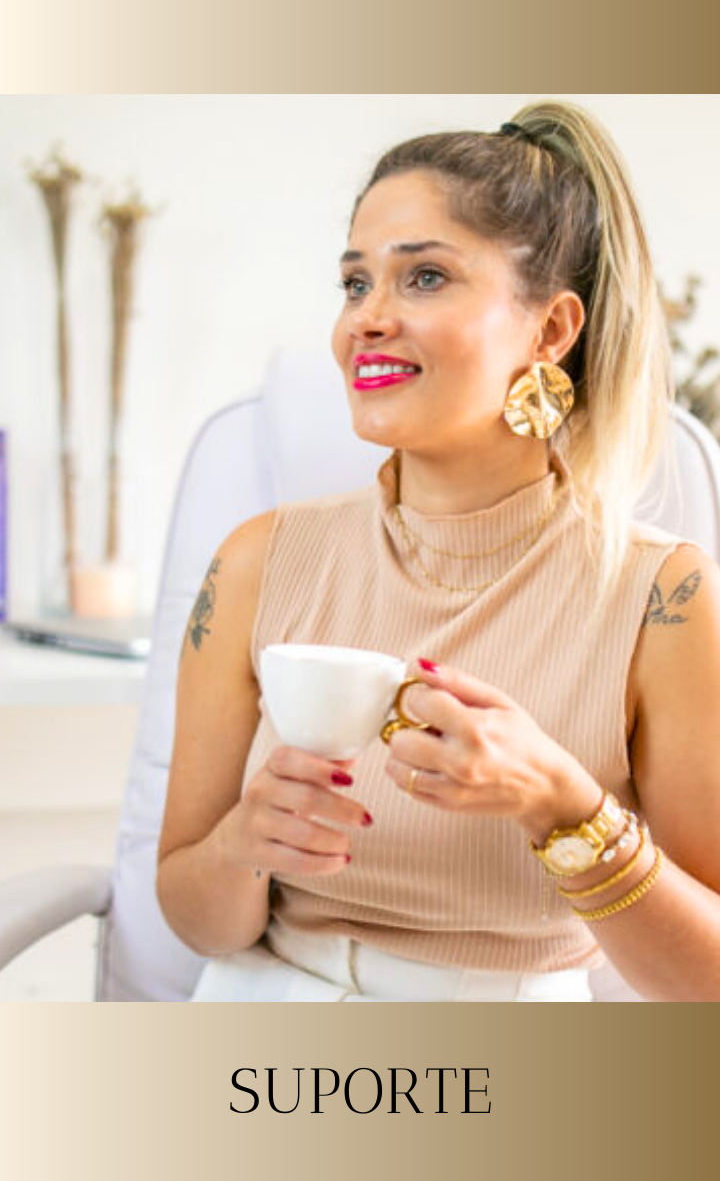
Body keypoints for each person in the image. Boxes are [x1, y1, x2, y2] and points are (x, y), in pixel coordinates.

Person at [156, 99, 720, 1002]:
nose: (367, 320)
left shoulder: (665, 599)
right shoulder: (257, 562)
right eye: (355, 284)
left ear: (550, 331)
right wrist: (240, 846)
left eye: (424, 277)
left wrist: (564, 805)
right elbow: (193, 917)